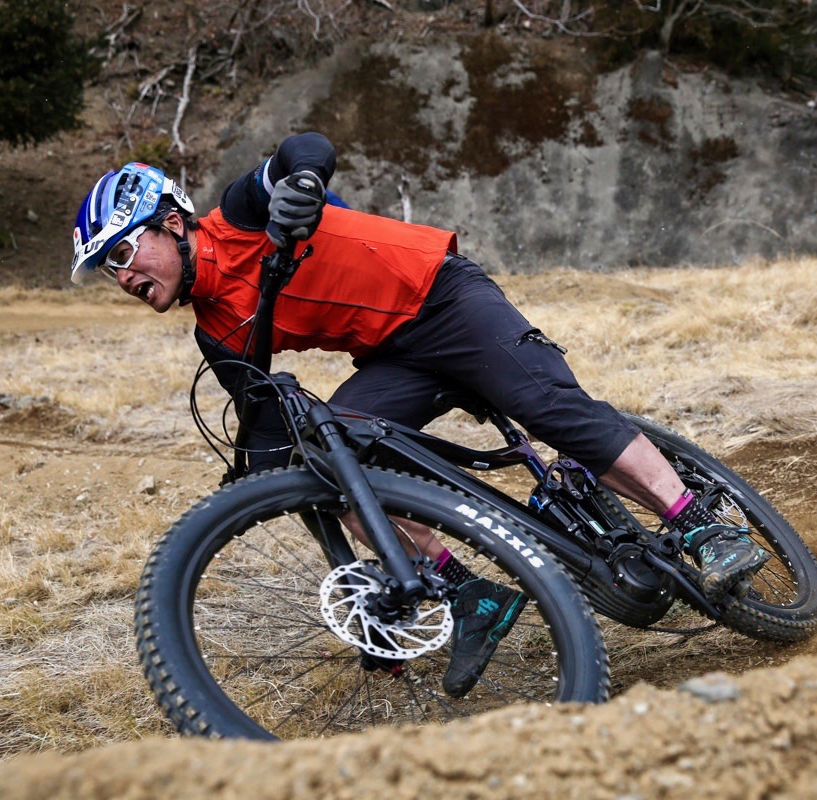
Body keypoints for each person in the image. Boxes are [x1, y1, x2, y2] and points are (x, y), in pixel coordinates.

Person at [70, 132, 769, 696]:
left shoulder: (239, 216)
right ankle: (463, 595)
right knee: (330, 464)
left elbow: (301, 149)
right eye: (109, 269)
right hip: (392, 358)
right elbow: (261, 430)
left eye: (124, 251)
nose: (124, 276)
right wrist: (244, 498)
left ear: (171, 222)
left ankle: (694, 520)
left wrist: (304, 186)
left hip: (442, 297)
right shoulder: (214, 331)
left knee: (543, 406)